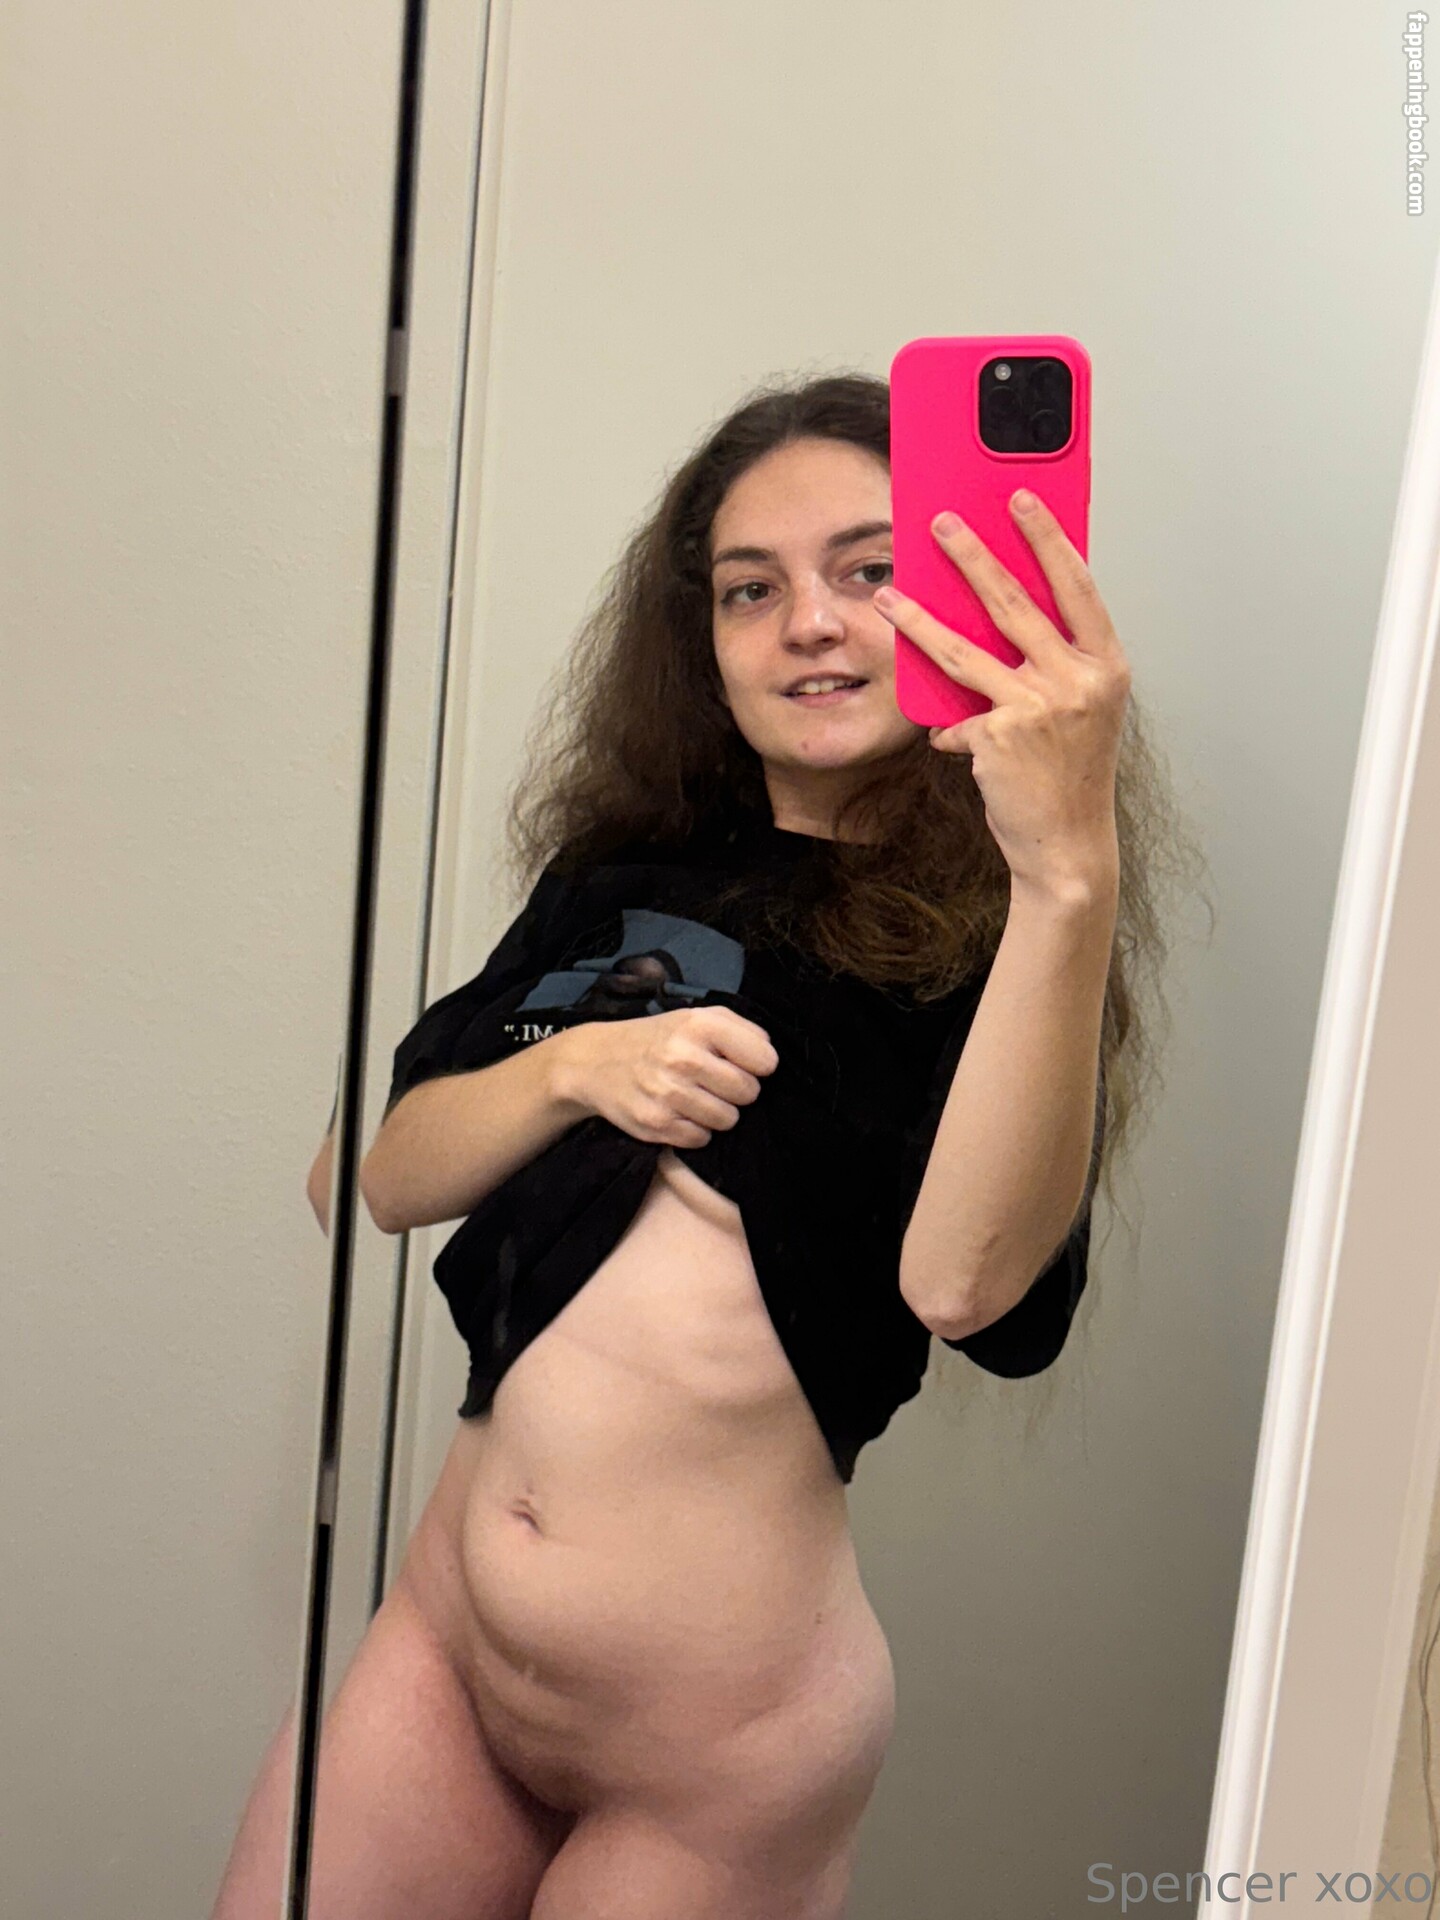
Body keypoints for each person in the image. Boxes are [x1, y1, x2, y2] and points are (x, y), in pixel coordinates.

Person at [213, 372, 1173, 1920]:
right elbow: (370, 1179)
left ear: (963, 600)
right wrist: (576, 1067)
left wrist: (1069, 874)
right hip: (447, 1651)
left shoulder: (1003, 939)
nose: (809, 623)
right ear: (702, 639)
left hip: (717, 1757)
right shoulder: (623, 875)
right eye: (750, 588)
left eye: (870, 571)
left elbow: (972, 1294)